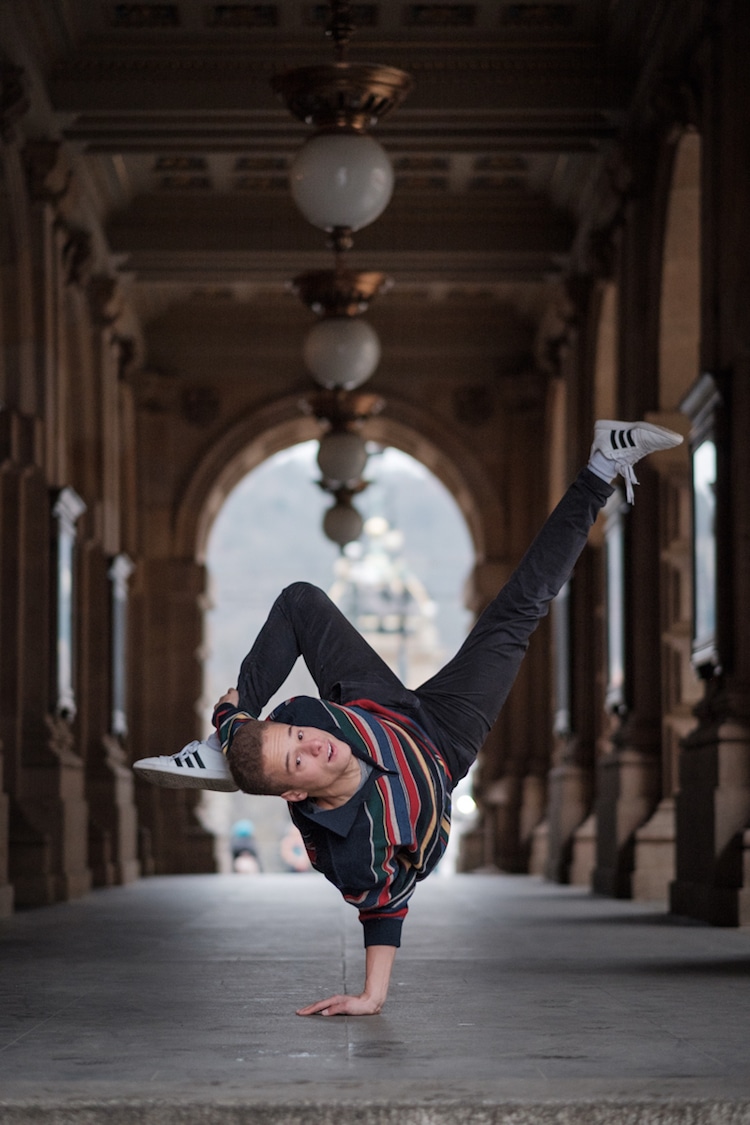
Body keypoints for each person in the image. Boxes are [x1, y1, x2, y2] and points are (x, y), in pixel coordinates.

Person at [134, 420, 682, 1016]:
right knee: (517, 614)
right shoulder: (352, 852)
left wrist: (232, 721)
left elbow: (269, 707)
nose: (316, 745)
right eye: (299, 758)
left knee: (300, 599)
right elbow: (383, 907)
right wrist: (372, 996)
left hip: (377, 711)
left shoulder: (305, 716)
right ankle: (603, 467)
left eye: (299, 738)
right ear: (294, 794)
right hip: (444, 743)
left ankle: (221, 749)